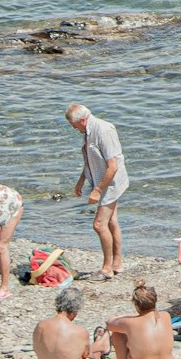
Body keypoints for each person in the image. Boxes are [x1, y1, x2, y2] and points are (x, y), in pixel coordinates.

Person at [65, 102, 129, 279]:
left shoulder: (103, 130)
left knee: (99, 225)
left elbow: (113, 166)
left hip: (111, 183)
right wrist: (81, 180)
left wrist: (98, 191)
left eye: (74, 125)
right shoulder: (87, 131)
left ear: (83, 120)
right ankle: (117, 263)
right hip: (101, 180)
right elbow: (91, 160)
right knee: (111, 221)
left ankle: (107, 269)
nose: (73, 128)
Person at [33, 284, 111, 359]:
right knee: (92, 357)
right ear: (74, 312)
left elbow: (37, 349)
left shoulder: (40, 326)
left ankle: (101, 343)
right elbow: (86, 355)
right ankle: (102, 345)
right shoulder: (80, 332)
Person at [107, 280, 177, 359]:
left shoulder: (129, 322)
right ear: (155, 301)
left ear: (136, 304)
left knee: (117, 333)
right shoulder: (166, 316)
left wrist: (128, 316)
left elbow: (109, 323)